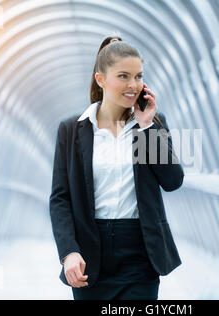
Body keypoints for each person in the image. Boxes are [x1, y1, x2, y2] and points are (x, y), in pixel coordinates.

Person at [49, 34, 184, 300]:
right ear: (101, 80)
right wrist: (69, 252)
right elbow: (60, 199)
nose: (133, 84)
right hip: (90, 257)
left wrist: (147, 126)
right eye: (123, 76)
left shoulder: (150, 124)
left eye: (138, 76)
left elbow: (172, 181)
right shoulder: (72, 130)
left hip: (140, 256)